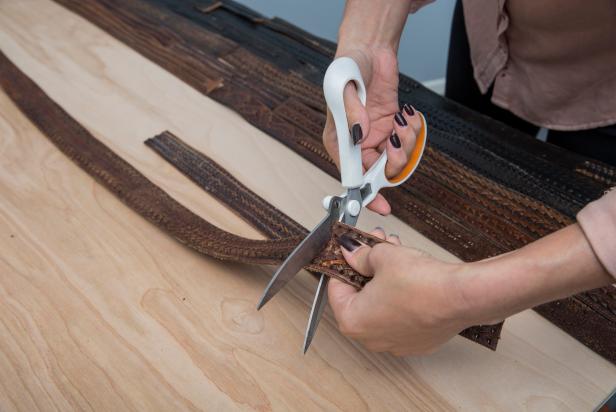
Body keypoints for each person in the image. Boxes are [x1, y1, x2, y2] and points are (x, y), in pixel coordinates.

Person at [322, 0, 615, 356]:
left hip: (604, 87)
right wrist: (369, 44)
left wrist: (462, 298)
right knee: (466, 172)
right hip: (488, 36)